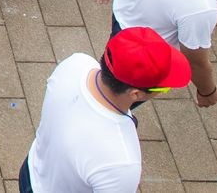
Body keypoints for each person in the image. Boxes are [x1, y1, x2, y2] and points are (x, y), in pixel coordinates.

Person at [20, 28, 192, 193]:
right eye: (163, 89)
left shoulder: (76, 62)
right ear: (136, 94)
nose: (164, 91)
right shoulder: (122, 161)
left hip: (32, 171)